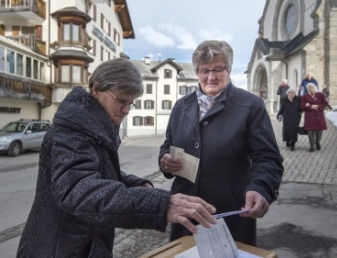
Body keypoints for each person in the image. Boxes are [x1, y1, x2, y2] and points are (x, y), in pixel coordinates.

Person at [16, 58, 217, 257]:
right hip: (59, 247)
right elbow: (77, 189)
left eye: (131, 103)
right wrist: (159, 204)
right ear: (96, 89)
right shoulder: (72, 129)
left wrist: (136, 184)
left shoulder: (95, 123)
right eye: (121, 100)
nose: (127, 110)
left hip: (84, 242)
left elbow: (100, 172)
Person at [158, 40, 284, 247]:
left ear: (229, 70)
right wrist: (164, 160)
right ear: (197, 72)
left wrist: (261, 188)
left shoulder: (250, 105)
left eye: (218, 69)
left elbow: (268, 158)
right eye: (204, 70)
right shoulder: (181, 106)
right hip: (186, 208)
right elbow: (168, 144)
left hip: (229, 211)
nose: (211, 76)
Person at [300, 83, 328, 152]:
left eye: (311, 87)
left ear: (314, 88)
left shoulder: (320, 95)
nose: (310, 89)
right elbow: (302, 106)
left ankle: (317, 142)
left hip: (319, 116)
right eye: (309, 88)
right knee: (310, 132)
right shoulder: (304, 97)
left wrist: (318, 106)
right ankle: (312, 146)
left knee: (319, 131)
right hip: (309, 116)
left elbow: (325, 103)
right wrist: (310, 107)